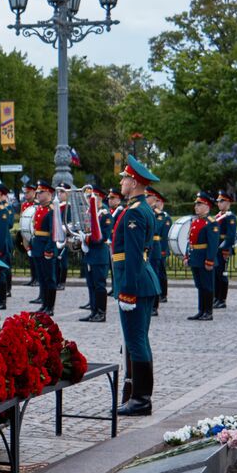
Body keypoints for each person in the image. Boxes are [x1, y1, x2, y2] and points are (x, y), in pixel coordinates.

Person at [115, 157, 163, 418]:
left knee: (135, 341)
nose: (121, 182)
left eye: (124, 178)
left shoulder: (135, 212)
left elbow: (133, 256)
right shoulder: (139, 208)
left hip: (135, 283)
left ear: (133, 182)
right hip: (140, 281)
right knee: (138, 341)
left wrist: (127, 291)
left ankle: (141, 400)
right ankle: (137, 395)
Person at [186, 192, 220, 321]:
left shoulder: (211, 223)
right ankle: (201, 310)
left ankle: (208, 312)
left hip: (205, 258)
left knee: (207, 286)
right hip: (195, 257)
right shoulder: (196, 221)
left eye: (199, 204)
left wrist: (209, 260)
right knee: (200, 285)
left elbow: (213, 244)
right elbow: (190, 240)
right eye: (196, 204)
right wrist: (187, 256)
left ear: (207, 206)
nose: (196, 207)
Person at [79, 184, 109, 323]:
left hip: (99, 255)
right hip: (90, 255)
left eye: (93, 197)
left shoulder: (104, 215)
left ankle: (101, 313)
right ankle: (93, 311)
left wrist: (86, 238)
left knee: (99, 285)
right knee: (91, 285)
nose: (89, 199)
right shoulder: (89, 214)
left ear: (100, 198)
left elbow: (102, 237)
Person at [29, 181, 57, 315]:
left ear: (49, 193)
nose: (38, 195)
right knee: (41, 277)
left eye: (41, 192)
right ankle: (44, 304)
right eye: (38, 192)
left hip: (46, 247)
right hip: (38, 246)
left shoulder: (52, 210)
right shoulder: (40, 209)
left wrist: (49, 249)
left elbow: (54, 232)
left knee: (49, 278)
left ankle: (50, 306)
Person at [145, 187, 170, 315]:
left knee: (154, 275)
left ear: (154, 199)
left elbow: (157, 228)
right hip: (146, 247)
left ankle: (154, 306)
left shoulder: (159, 214)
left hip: (154, 247)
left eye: (148, 196)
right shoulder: (145, 211)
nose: (145, 199)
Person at [212, 190, 237, 310]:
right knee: (215, 274)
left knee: (222, 274)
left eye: (222, 201)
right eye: (218, 201)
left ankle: (222, 299)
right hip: (216, 248)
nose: (219, 203)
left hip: (223, 249)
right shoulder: (218, 216)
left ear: (228, 203)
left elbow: (230, 236)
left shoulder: (230, 217)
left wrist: (225, 249)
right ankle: (216, 297)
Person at [0, 184, 16, 308]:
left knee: (1, 275)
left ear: (1, 196)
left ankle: (2, 301)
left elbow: (1, 232)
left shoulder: (3, 211)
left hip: (0, 247)